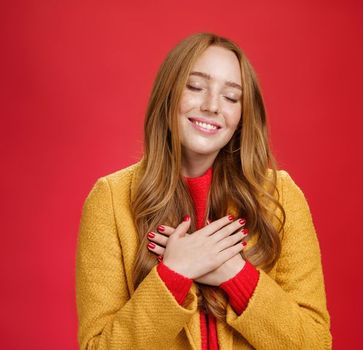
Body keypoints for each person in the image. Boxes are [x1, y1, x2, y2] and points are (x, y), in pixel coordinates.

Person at [75, 32, 331, 349]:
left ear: (242, 115)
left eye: (231, 97)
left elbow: (316, 343)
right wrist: (175, 274)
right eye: (196, 87)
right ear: (168, 95)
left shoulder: (280, 196)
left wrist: (234, 273)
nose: (212, 106)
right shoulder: (111, 200)